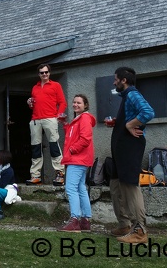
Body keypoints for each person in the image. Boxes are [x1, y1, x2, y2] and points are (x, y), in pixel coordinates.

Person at [108, 67, 155, 244]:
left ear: (123, 80)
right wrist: (118, 122)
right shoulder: (126, 97)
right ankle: (125, 224)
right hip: (120, 148)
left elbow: (148, 112)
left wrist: (129, 125)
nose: (114, 82)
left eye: (116, 79)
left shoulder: (133, 94)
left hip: (129, 147)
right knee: (115, 186)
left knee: (129, 186)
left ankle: (140, 231)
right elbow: (132, 115)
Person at [58, 94, 95, 232]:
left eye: (79, 103)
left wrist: (73, 150)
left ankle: (74, 220)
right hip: (81, 159)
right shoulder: (79, 119)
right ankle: (85, 221)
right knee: (80, 188)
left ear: (85, 105)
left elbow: (85, 139)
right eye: (74, 102)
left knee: (71, 188)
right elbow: (74, 135)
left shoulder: (84, 118)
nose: (75, 105)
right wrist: (65, 125)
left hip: (77, 158)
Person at [26, 63, 67, 186]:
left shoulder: (56, 85)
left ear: (49, 73)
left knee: (54, 145)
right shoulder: (35, 88)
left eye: (46, 72)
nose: (44, 74)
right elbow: (33, 105)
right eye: (42, 72)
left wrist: (57, 117)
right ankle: (35, 176)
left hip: (50, 118)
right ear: (39, 74)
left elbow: (62, 103)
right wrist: (29, 103)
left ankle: (60, 174)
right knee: (35, 147)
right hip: (35, 119)